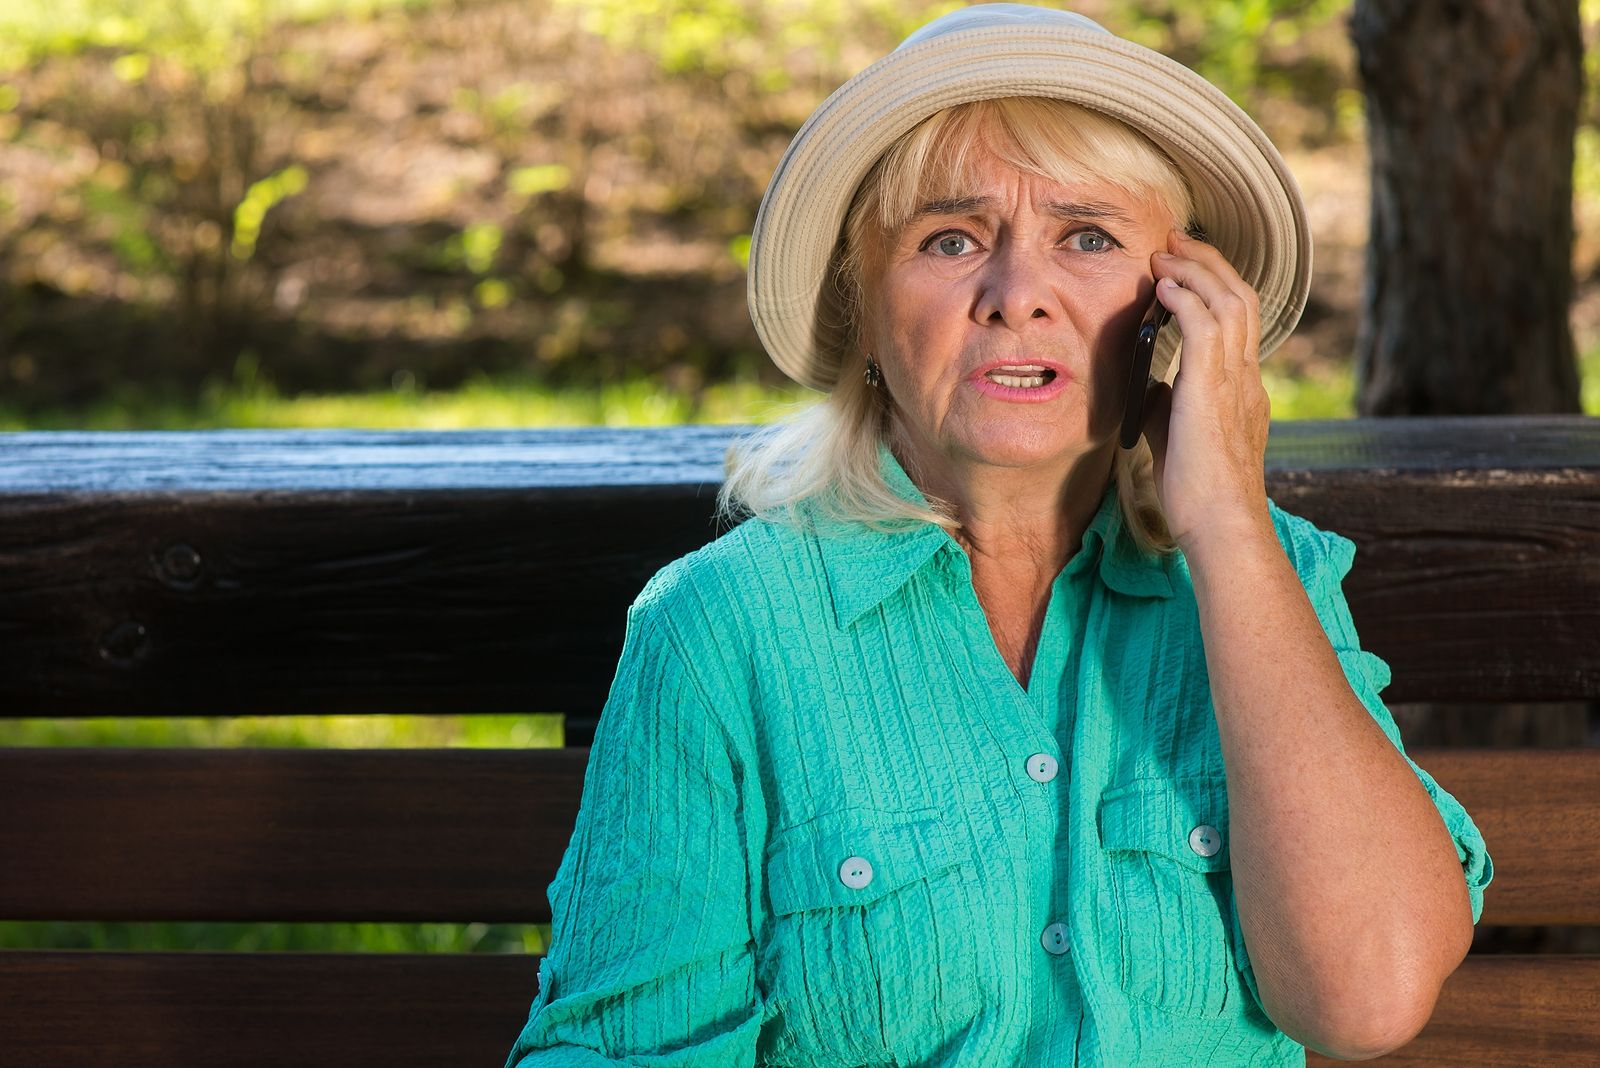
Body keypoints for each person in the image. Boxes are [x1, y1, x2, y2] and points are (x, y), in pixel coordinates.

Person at [504, 5, 1493, 1065]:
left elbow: (1368, 996)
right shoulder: (723, 632)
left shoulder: (1267, 576)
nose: (1017, 295)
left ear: (1176, 311)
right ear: (865, 315)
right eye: (950, 239)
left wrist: (1225, 525)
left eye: (1088, 237)